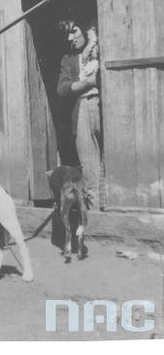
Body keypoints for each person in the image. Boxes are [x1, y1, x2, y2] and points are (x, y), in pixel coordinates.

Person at [56, 14, 104, 210]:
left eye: (74, 31)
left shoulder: (102, 48)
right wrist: (88, 82)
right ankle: (96, 224)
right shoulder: (69, 59)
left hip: (104, 106)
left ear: (87, 29)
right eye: (67, 34)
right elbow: (62, 88)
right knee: (90, 173)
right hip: (82, 109)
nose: (70, 38)